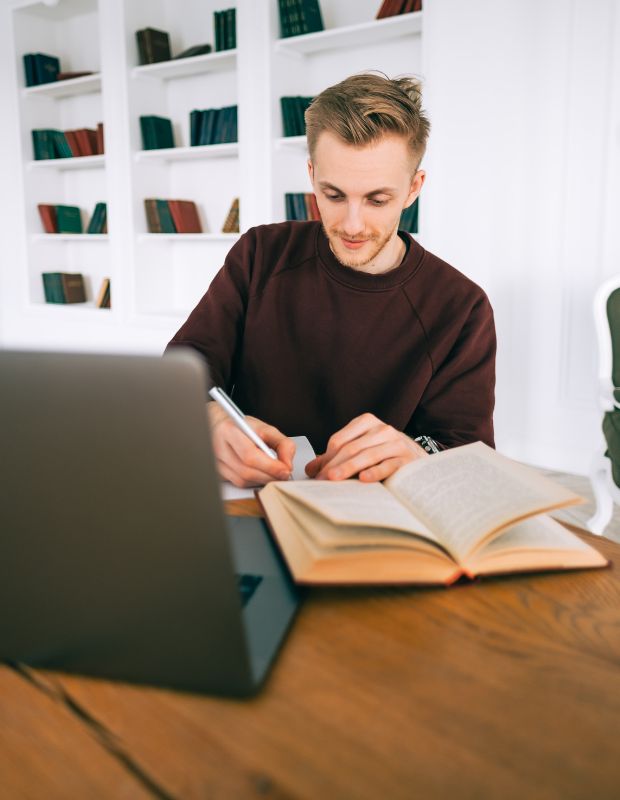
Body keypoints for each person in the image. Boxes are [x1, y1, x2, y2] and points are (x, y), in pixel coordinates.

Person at [166, 73, 496, 488]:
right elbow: (184, 366)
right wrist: (209, 418)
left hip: (377, 517)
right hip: (251, 495)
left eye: (378, 200)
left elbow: (468, 452)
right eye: (334, 195)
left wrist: (418, 454)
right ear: (311, 176)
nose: (352, 225)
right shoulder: (261, 254)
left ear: (414, 188)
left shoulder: (461, 306)